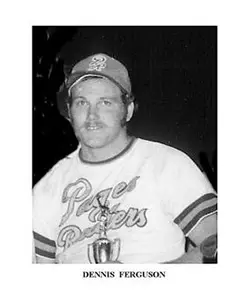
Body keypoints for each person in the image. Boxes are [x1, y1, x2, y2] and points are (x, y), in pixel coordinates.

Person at [32, 53, 217, 264]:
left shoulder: (166, 164)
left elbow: (218, 246)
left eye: (105, 103)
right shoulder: (47, 188)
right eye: (82, 103)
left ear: (128, 110)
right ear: (69, 112)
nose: (92, 115)